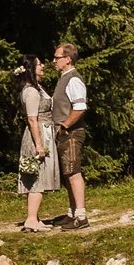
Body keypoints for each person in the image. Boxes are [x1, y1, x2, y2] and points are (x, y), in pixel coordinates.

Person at [15, 55, 57, 233]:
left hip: (44, 132)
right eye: (39, 64)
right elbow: (32, 119)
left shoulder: (37, 88)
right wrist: (39, 144)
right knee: (36, 177)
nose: (43, 66)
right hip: (37, 135)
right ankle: (31, 219)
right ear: (31, 68)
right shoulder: (31, 91)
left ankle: (35, 218)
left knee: (41, 175)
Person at [49, 41, 89, 228]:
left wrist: (65, 125)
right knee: (68, 173)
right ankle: (72, 212)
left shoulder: (73, 79)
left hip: (71, 133)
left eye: (57, 58)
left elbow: (80, 107)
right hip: (64, 133)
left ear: (67, 59)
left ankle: (81, 216)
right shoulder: (64, 78)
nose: (54, 61)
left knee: (73, 172)